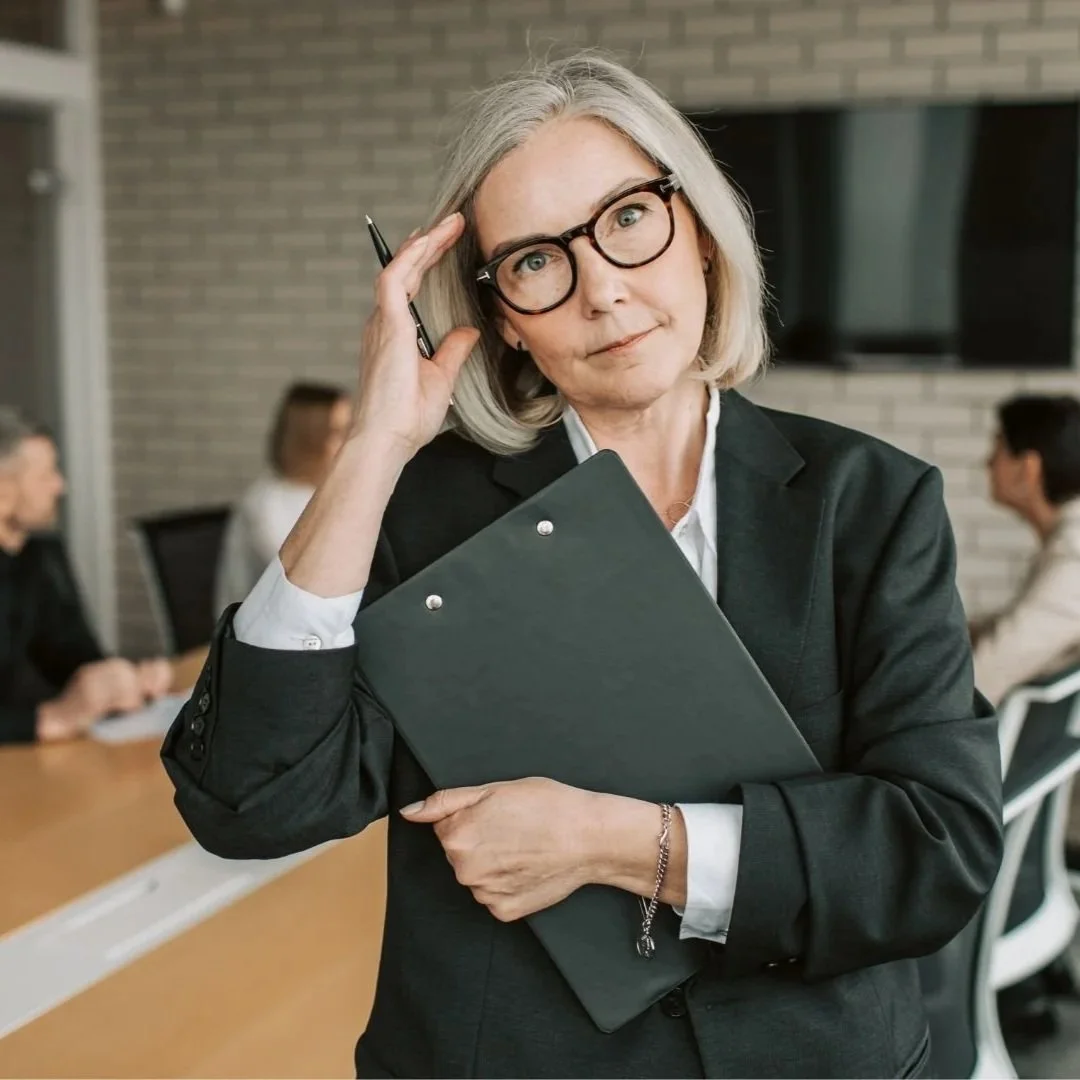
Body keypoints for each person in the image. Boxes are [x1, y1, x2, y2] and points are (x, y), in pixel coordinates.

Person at [163, 53, 1002, 1079]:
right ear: (504, 314)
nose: (603, 289)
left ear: (695, 229)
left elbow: (938, 848)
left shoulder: (867, 503)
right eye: (535, 261)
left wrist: (617, 842)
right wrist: (373, 449)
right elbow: (249, 804)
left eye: (628, 220)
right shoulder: (426, 513)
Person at [0, 409, 173, 744]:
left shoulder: (38, 554)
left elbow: (71, 654)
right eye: (46, 475)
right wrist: (48, 719)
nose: (59, 486)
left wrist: (123, 681)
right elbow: (55, 714)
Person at [971, 394, 1080, 706]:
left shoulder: (1074, 557)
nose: (988, 462)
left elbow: (985, 674)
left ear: (1028, 469)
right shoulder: (1067, 543)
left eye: (999, 447)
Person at [214, 381, 350, 612]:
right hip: (262, 633)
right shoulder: (268, 505)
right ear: (309, 439)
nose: (349, 442)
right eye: (338, 433)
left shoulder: (324, 492)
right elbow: (306, 582)